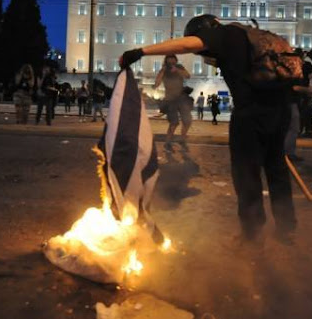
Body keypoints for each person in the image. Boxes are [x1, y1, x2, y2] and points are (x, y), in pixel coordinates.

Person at [120, 14, 297, 245]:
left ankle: (252, 235)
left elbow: (184, 45)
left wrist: (139, 52)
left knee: (247, 174)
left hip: (251, 114)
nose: (203, 55)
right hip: (280, 110)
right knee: (277, 169)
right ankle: (286, 228)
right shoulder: (253, 36)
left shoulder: (222, 35)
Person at [154, 54, 192, 150]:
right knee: (174, 123)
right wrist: (162, 72)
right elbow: (157, 83)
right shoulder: (164, 70)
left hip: (181, 99)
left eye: (173, 60)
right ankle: (168, 143)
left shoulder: (179, 67)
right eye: (169, 61)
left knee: (187, 121)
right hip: (170, 100)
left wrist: (178, 70)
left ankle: (182, 140)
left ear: (176, 60)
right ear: (166, 61)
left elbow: (187, 76)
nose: (171, 62)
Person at [284, 48, 312, 162]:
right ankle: (287, 154)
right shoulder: (293, 69)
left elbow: (310, 78)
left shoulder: (290, 67)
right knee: (293, 128)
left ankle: (287, 153)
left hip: (291, 101)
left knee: (291, 128)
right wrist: (307, 89)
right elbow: (294, 87)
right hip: (290, 101)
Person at [298, 59, 312, 138]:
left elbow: (311, 78)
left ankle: (306, 131)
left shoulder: (306, 65)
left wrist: (311, 88)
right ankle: (305, 130)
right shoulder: (305, 65)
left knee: (305, 111)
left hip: (306, 91)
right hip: (304, 91)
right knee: (304, 111)